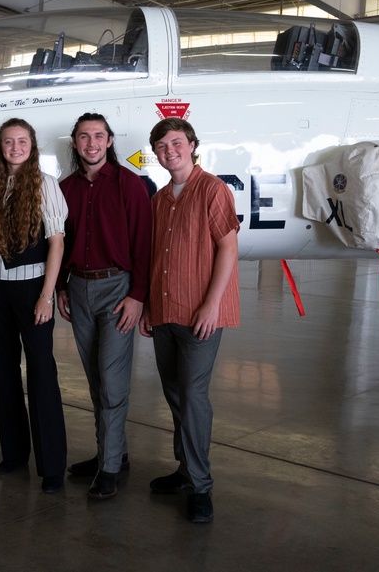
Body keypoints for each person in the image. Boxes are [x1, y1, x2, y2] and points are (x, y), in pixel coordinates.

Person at [140, 117, 240, 524]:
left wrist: (211, 304)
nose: (170, 151)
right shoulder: (161, 199)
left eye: (177, 143)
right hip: (165, 312)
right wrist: (148, 306)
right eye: (162, 147)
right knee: (176, 395)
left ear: (192, 144)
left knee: (194, 396)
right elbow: (156, 258)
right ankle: (185, 470)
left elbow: (228, 248)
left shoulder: (212, 190)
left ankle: (201, 486)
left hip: (200, 315)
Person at [57, 112, 152, 500]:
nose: (91, 143)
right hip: (79, 289)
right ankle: (113, 453)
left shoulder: (131, 185)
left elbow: (144, 244)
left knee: (112, 383)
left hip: (117, 290)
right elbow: (60, 240)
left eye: (98, 136)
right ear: (75, 142)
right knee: (96, 380)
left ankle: (109, 469)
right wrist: (62, 286)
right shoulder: (65, 188)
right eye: (84, 136)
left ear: (110, 141)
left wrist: (137, 297)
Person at [0, 118, 69, 494]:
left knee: (42, 373)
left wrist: (47, 295)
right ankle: (14, 453)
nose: (15, 147)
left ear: (33, 145)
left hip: (33, 289)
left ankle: (51, 466)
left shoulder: (45, 184)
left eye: (22, 141)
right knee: (6, 372)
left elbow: (57, 243)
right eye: (8, 142)